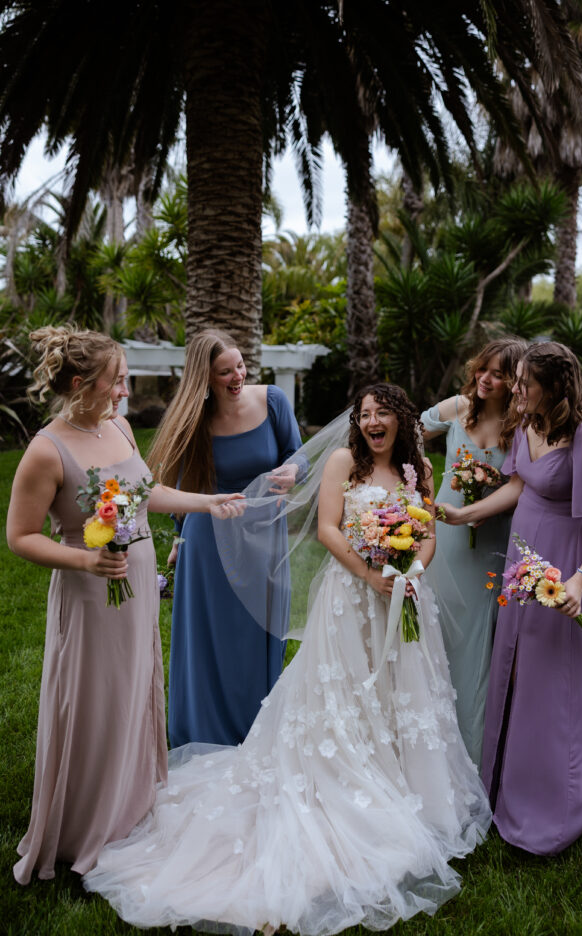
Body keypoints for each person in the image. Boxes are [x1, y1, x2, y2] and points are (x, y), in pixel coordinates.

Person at [83, 383, 491, 933]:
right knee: (347, 695)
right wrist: (372, 574)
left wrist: (411, 571)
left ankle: (406, 780)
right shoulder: (344, 462)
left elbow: (427, 532)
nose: (372, 422)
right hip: (352, 600)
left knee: (405, 692)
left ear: (400, 421)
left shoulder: (417, 466)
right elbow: (326, 529)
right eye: (365, 414)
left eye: (382, 414)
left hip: (404, 598)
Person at [7, 326, 244, 885]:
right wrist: (86, 562)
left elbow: (146, 494)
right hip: (90, 594)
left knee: (135, 690)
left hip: (134, 588)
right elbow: (20, 536)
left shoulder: (118, 427)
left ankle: (133, 802)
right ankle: (85, 822)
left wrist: (207, 503)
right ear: (78, 382)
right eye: (115, 381)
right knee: (95, 701)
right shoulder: (47, 449)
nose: (123, 391)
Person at [438, 342, 582, 855]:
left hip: (569, 561)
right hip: (523, 559)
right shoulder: (526, 424)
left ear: (556, 386)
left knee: (558, 682)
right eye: (516, 380)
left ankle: (560, 801)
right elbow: (520, 485)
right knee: (518, 672)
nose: (515, 390)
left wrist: (579, 580)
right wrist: (466, 515)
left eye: (524, 382)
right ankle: (509, 787)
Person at [146, 328, 302, 747]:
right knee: (208, 640)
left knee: (260, 633)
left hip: (266, 535)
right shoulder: (194, 420)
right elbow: (182, 483)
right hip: (209, 541)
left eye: (240, 366)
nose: (237, 377)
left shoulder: (273, 401)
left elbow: (296, 452)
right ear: (204, 379)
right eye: (224, 372)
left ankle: (256, 732)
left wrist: (294, 471)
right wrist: (179, 541)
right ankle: (203, 731)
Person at [421, 337, 527, 767]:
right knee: (439, 626)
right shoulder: (459, 407)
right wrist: (423, 471)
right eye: (483, 368)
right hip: (443, 537)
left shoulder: (522, 425)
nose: (486, 378)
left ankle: (476, 751)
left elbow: (521, 485)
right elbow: (406, 433)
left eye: (499, 374)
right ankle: (428, 738)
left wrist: (476, 510)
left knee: (482, 638)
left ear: (515, 381)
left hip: (492, 541)